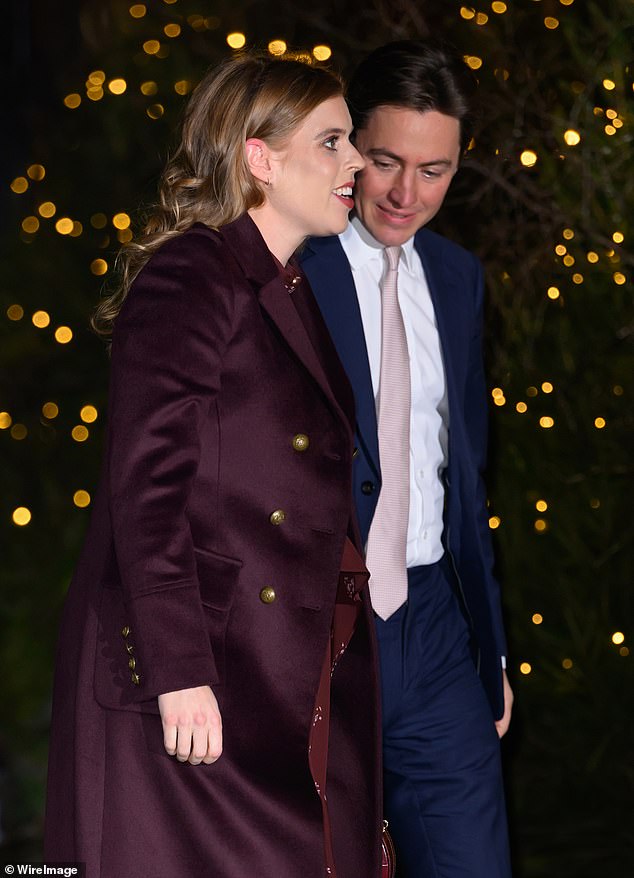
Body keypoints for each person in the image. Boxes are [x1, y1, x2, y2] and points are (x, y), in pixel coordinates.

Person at [44, 53, 384, 878]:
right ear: (259, 158)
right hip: (200, 683)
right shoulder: (193, 273)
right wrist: (180, 669)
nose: (358, 163)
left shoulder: (285, 285)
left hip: (277, 667)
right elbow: (146, 485)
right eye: (332, 141)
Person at [301, 40, 513, 877]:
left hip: (434, 627)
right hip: (317, 621)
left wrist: (489, 649)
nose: (404, 193)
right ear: (350, 146)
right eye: (385, 161)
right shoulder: (289, 269)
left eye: (435, 170)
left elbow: (464, 479)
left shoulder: (458, 279)